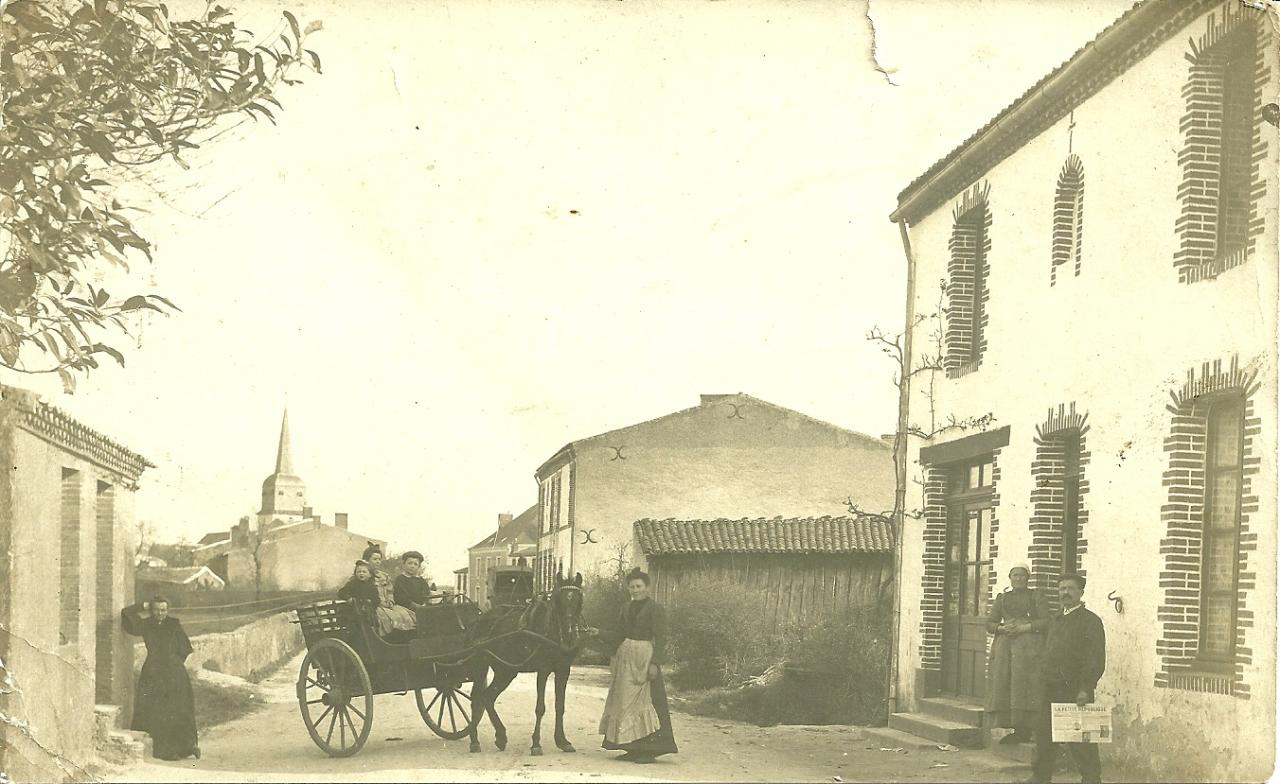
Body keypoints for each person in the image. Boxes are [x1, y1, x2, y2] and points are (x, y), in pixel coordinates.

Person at [593, 567, 678, 764]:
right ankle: (631, 747)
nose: (635, 590)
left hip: (644, 658)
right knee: (624, 703)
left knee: (647, 702)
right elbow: (618, 634)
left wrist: (655, 664)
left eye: (639, 586)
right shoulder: (626, 608)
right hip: (626, 659)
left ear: (647, 587)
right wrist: (598, 632)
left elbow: (662, 638)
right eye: (631, 587)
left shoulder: (656, 609)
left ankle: (650, 750)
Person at [1029, 573, 1106, 784]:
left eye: (1071, 589)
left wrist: (1085, 688)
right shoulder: (1055, 619)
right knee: (1044, 736)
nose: (1066, 593)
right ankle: (1040, 777)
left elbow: (1095, 659)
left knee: (1081, 739)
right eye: (1062, 589)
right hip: (1050, 688)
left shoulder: (1090, 621)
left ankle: (1091, 779)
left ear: (1081, 593)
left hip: (1075, 690)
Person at [121, 597, 199, 761]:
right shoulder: (146, 625)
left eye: (163, 610)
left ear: (167, 610)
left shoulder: (174, 624)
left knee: (179, 708)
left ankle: (186, 747)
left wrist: (173, 664)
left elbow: (184, 649)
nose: (160, 613)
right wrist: (143, 605)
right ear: (151, 610)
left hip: (174, 673)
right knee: (157, 710)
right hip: (153, 672)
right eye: (156, 610)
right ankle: (164, 750)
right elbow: (127, 613)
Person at [986, 563, 1049, 744]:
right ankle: (1015, 729)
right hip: (1005, 648)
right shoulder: (1002, 598)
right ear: (1010, 578)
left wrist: (1023, 628)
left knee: (1026, 685)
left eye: (1022, 575)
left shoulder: (1036, 596)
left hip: (1029, 647)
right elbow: (990, 623)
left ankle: (1028, 728)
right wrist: (1002, 628)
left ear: (1028, 578)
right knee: (1006, 684)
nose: (1018, 579)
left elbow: (1046, 621)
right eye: (1015, 575)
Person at [362, 543, 416, 637]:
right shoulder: (362, 575)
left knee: (405, 614)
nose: (378, 561)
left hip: (388, 605)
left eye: (379, 559)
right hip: (375, 607)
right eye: (375, 559)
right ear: (367, 561)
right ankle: (392, 636)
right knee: (390, 618)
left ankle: (405, 636)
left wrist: (390, 601)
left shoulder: (384, 576)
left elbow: (390, 591)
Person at [338, 560, 381, 627]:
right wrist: (348, 598)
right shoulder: (352, 584)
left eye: (364, 572)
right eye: (359, 572)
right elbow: (341, 592)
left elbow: (377, 599)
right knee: (354, 623)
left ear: (370, 575)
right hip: (354, 610)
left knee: (372, 620)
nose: (361, 573)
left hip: (368, 611)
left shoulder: (372, 586)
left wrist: (370, 601)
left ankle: (371, 633)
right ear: (355, 574)